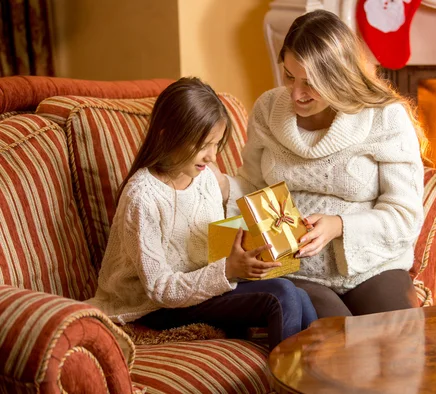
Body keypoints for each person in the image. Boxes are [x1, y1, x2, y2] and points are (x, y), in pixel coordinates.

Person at [219, 10, 427, 318]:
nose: (296, 94)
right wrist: (217, 185)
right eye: (289, 76)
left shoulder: (384, 116)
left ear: (339, 77)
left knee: (401, 336)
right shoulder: (267, 109)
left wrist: (339, 226)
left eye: (311, 83)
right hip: (296, 270)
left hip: (374, 264)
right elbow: (252, 188)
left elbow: (406, 215)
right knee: (340, 346)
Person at [86, 77, 317, 349]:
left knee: (299, 295)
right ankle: (288, 388)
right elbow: (160, 289)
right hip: (154, 307)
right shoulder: (143, 197)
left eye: (216, 145)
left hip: (201, 290)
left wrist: (264, 247)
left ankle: (318, 379)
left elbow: (211, 246)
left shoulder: (204, 177)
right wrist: (229, 269)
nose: (211, 157)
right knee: (283, 295)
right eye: (202, 145)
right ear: (167, 134)